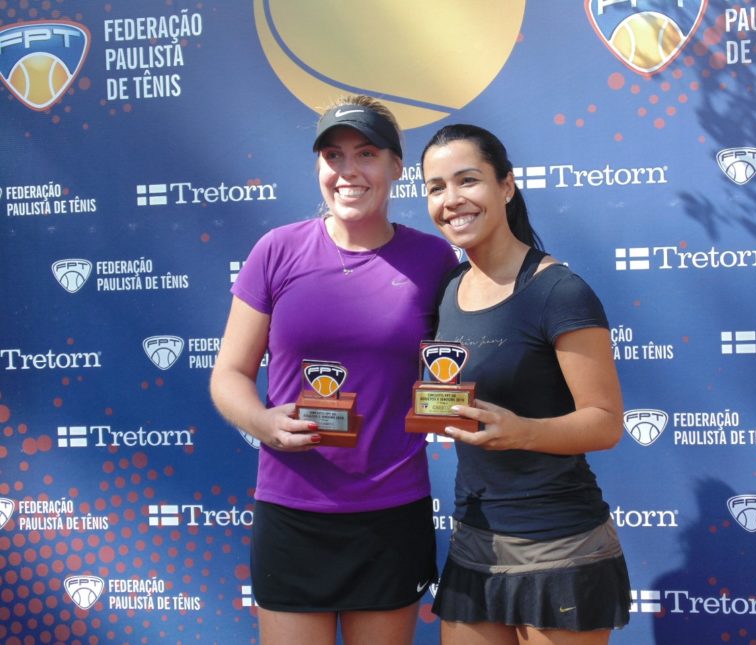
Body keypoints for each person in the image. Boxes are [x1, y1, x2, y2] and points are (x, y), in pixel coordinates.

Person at [210, 95, 458, 645]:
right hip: (293, 512)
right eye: (333, 156)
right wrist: (263, 422)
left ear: (397, 166)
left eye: (366, 153)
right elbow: (228, 374)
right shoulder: (276, 251)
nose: (348, 171)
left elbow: (452, 370)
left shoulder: (434, 260)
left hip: (391, 513)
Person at [420, 124, 631, 645]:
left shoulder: (560, 291)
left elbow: (605, 423)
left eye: (467, 180)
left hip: (560, 546)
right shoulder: (446, 288)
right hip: (474, 542)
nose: (451, 199)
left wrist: (521, 431)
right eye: (435, 187)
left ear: (506, 186)